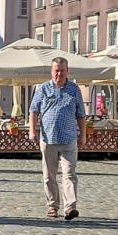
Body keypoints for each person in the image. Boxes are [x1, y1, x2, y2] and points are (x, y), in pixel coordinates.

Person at [28, 56, 85, 220]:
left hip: (69, 139)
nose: (59, 74)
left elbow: (81, 114)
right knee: (49, 175)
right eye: (56, 70)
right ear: (51, 71)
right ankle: (52, 206)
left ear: (67, 71)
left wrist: (83, 135)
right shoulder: (43, 88)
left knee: (69, 174)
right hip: (48, 138)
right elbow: (34, 111)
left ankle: (70, 208)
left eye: (62, 70)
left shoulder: (74, 89)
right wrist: (32, 131)